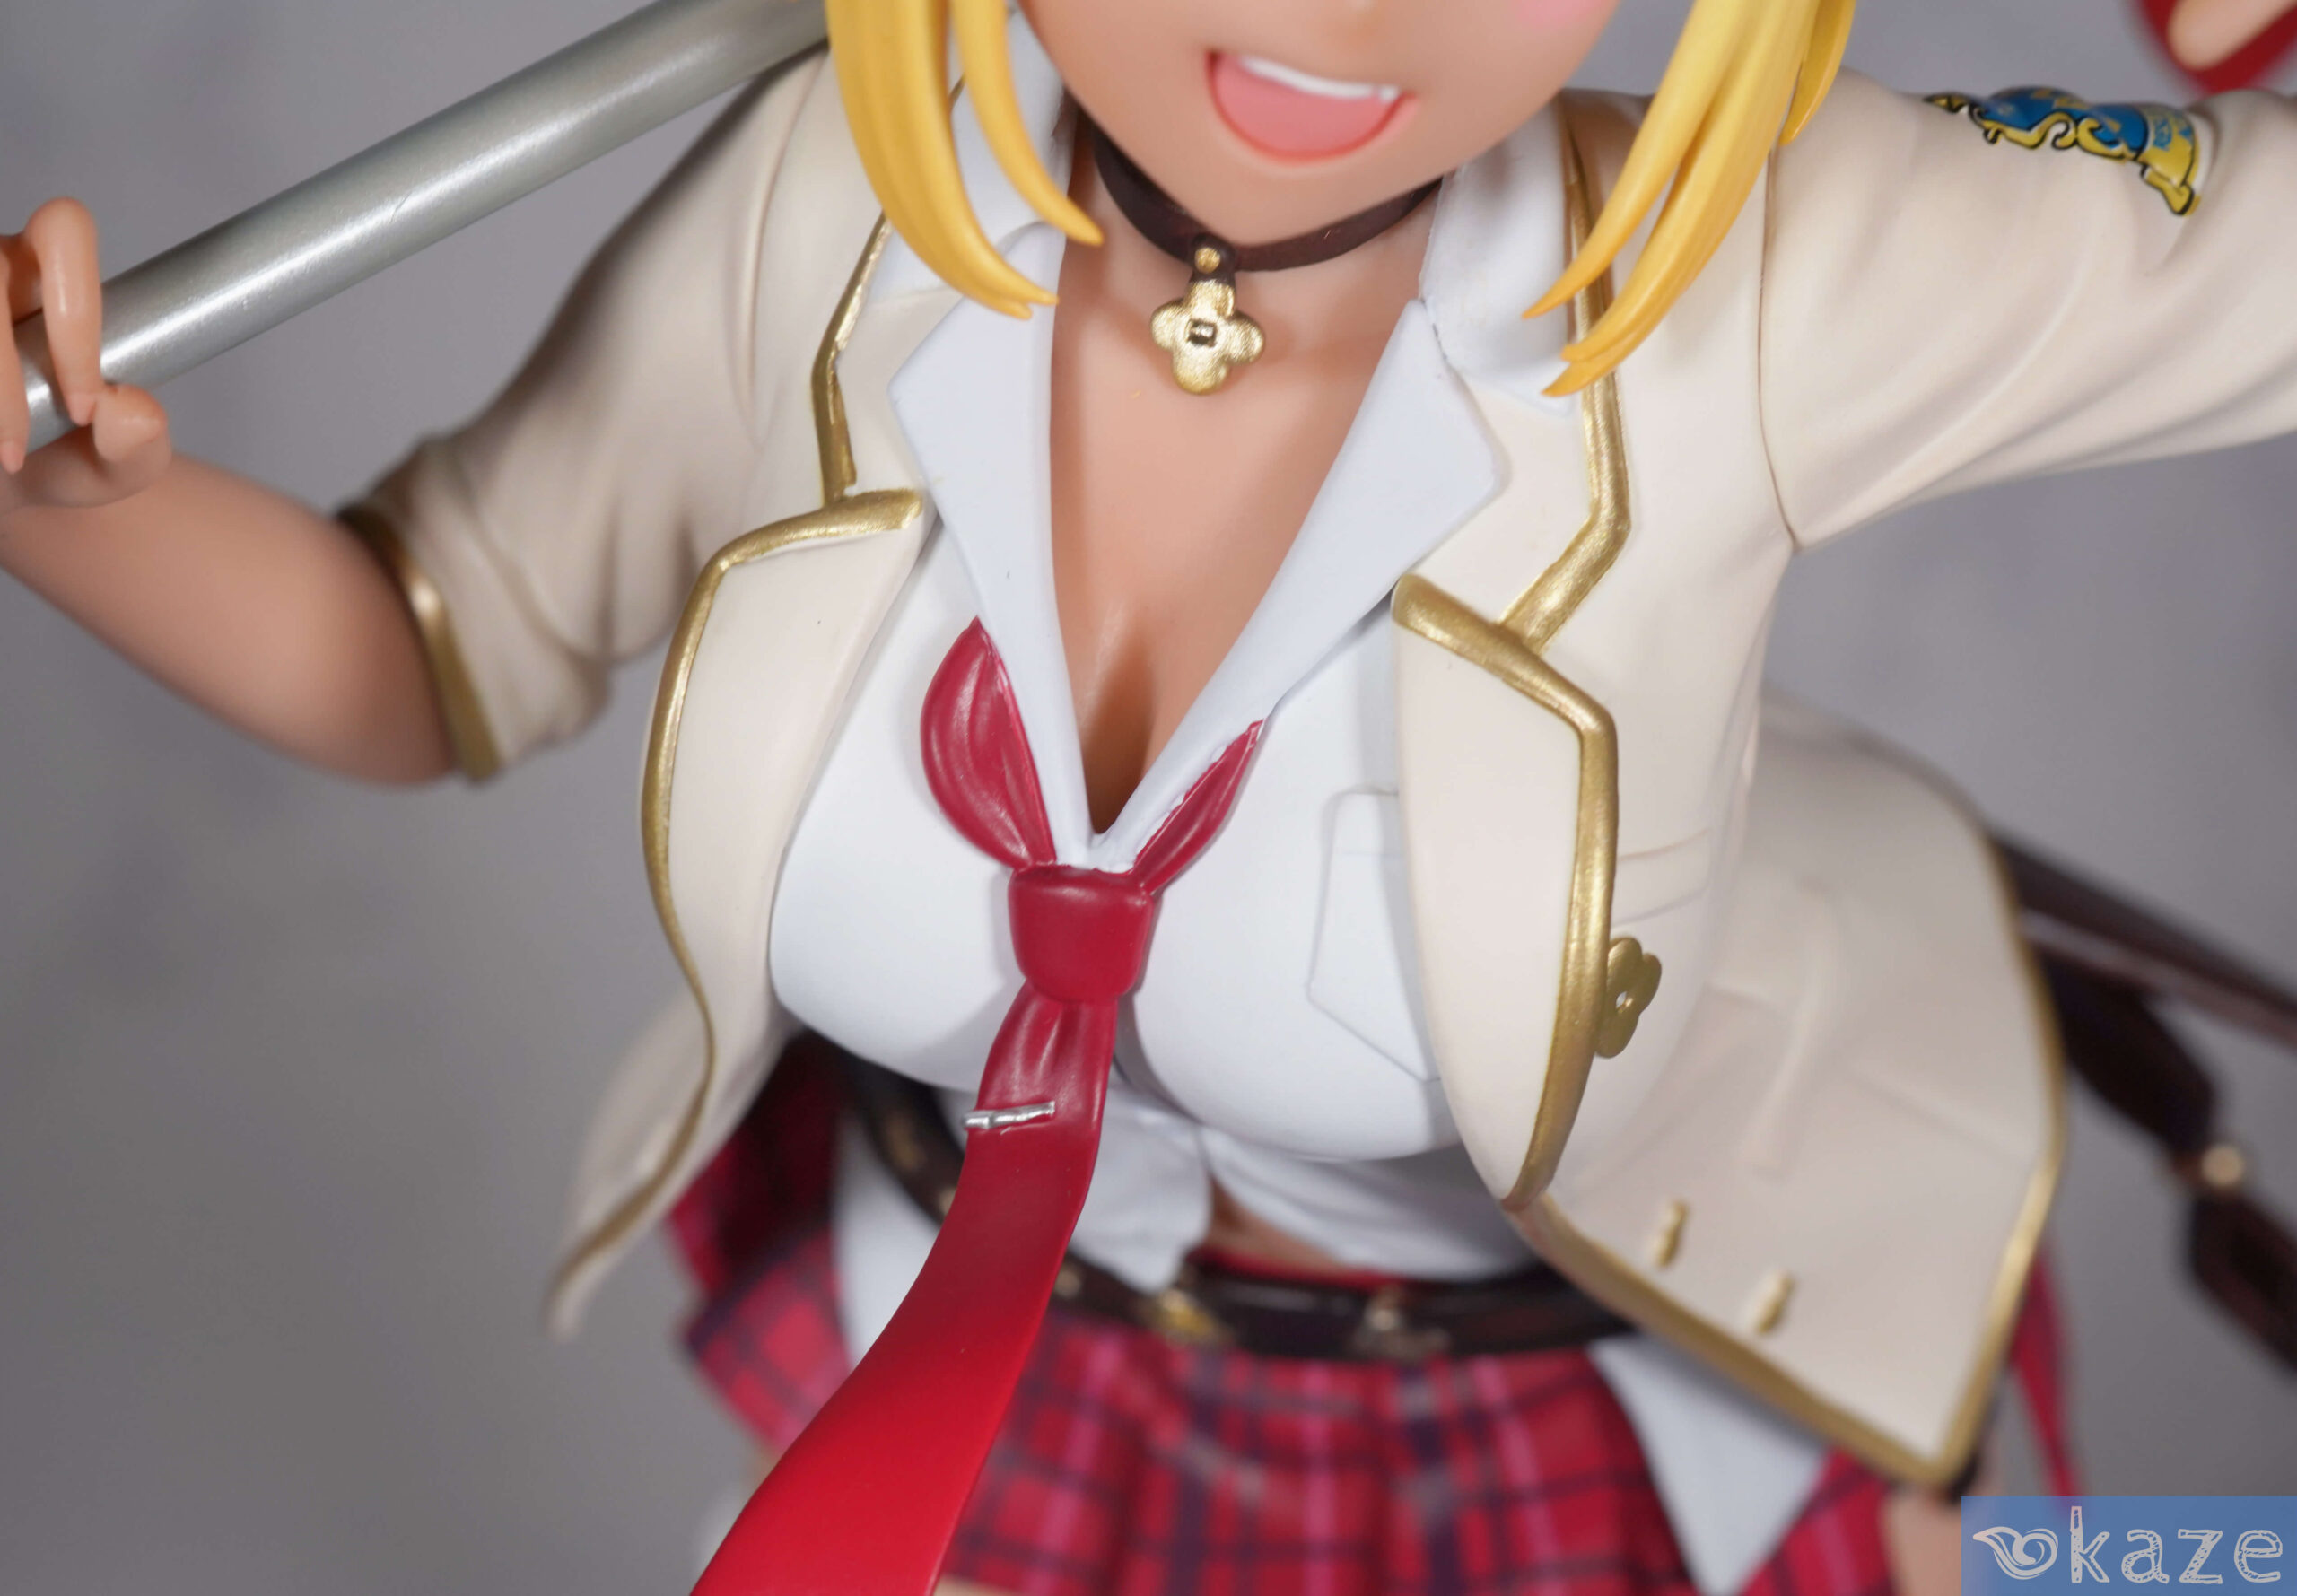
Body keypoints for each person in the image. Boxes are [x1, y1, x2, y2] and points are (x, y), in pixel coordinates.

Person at [4, 0, 2294, 1591]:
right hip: (1000, 1397)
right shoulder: (832, 206)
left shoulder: (1750, 276)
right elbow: (434, 648)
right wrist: (56, 485)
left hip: (1603, 1425)